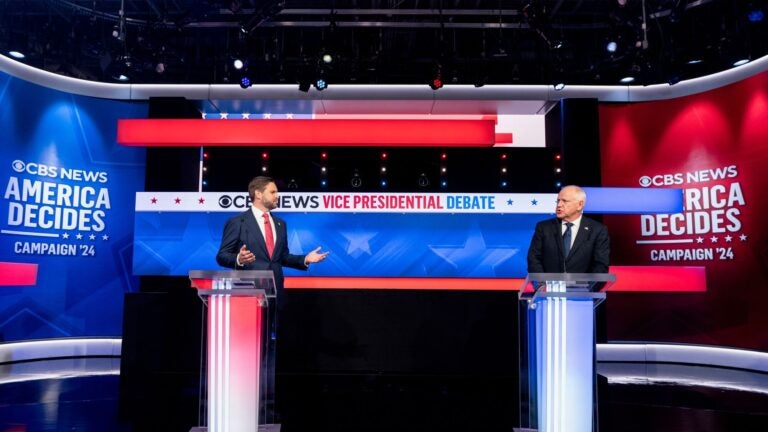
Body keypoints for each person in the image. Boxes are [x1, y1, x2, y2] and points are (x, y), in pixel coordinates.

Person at [216, 175, 329, 304]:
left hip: (276, 294)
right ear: (258, 194)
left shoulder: (280, 224)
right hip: (248, 295)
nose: (277, 196)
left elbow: (283, 257)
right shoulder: (237, 222)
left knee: (275, 324)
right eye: (272, 192)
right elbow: (222, 256)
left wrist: (305, 259)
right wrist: (238, 259)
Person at [527, 185, 610, 274]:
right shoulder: (544, 227)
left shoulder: (597, 230)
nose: (559, 205)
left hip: (583, 287)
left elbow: (601, 265)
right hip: (548, 286)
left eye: (565, 201)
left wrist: (588, 287)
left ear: (580, 205)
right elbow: (534, 259)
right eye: (558, 201)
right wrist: (541, 285)